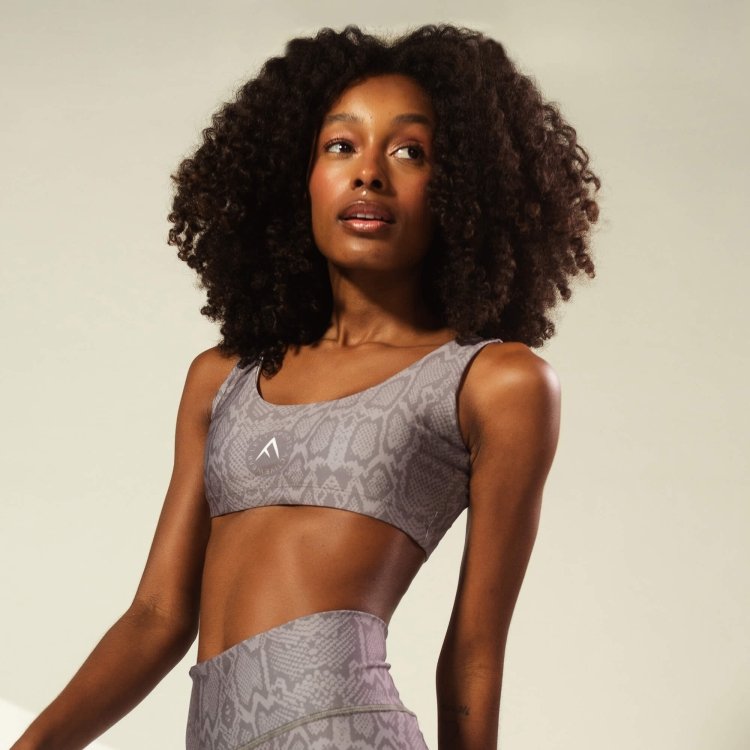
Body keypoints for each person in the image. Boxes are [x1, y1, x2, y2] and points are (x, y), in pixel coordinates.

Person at [12, 23, 600, 750]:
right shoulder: (223, 378)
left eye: (410, 151)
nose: (369, 173)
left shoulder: (492, 381)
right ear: (300, 175)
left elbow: (475, 650)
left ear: (461, 190)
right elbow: (158, 615)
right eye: (341, 145)